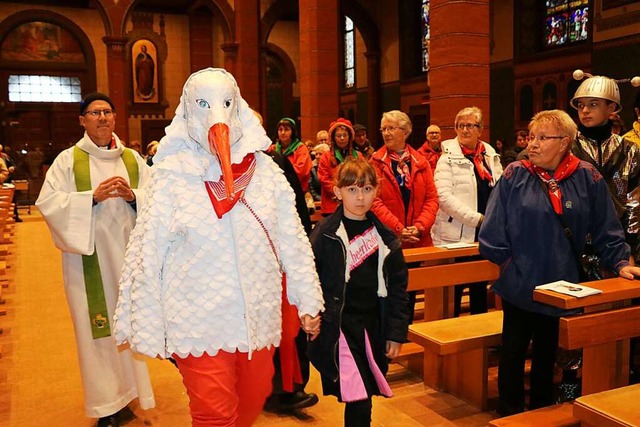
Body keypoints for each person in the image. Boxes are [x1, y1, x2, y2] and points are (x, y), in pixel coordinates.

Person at [112, 68, 324, 427]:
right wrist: (138, 317)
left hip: (257, 317)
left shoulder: (267, 174)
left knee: (251, 401)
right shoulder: (171, 176)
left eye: (225, 103)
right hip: (197, 321)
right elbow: (146, 250)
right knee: (214, 414)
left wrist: (308, 299)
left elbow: (294, 240)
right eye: (205, 105)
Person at [479, 109, 640, 416]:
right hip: (520, 283)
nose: (532, 144)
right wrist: (510, 265)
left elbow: (607, 227)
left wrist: (620, 262)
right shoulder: (515, 174)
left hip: (562, 285)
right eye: (531, 136)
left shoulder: (587, 177)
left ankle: (540, 414)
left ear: (564, 142)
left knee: (546, 354)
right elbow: (492, 231)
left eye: (542, 138)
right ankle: (510, 414)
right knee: (512, 353)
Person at [35, 92, 154, 427]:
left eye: (107, 111)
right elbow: (49, 203)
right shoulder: (68, 161)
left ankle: (129, 392)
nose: (102, 118)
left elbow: (157, 197)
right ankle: (105, 405)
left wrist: (134, 196)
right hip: (87, 261)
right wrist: (90, 198)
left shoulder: (132, 159)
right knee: (95, 331)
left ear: (116, 117)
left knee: (128, 327)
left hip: (129, 261)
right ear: (82, 120)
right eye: (94, 112)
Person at [308, 157, 411, 427]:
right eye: (352, 189)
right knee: (358, 394)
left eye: (366, 189)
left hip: (373, 325)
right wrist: (310, 313)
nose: (360, 197)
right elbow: (310, 278)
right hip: (339, 326)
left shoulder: (386, 238)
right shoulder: (325, 234)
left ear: (376, 190)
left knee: (363, 393)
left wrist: (396, 332)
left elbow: (399, 290)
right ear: (338, 191)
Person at [432, 107, 503, 316]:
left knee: (480, 287)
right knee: (454, 290)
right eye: (460, 126)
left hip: (484, 233)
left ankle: (479, 340)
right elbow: (443, 197)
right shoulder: (447, 158)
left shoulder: (489, 155)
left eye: (470, 125)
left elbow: (499, 189)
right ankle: (451, 338)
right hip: (457, 233)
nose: (464, 130)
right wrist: (477, 219)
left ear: (480, 129)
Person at [369, 110, 438, 249]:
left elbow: (432, 199)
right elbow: (374, 201)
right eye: (384, 129)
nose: (386, 133)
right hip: (387, 239)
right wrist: (398, 228)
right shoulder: (375, 162)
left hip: (418, 239)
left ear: (405, 132)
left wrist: (419, 227)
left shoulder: (421, 162)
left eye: (391, 128)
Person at [318, 118, 361, 215]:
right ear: (333, 138)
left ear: (349, 137)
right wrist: (340, 193)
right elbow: (323, 179)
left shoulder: (358, 156)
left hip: (353, 204)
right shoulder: (326, 157)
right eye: (338, 136)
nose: (342, 138)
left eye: (345, 135)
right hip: (331, 206)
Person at [271, 117, 313, 192]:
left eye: (286, 130)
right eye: (280, 130)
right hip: (276, 190)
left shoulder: (300, 148)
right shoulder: (273, 149)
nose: (283, 132)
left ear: (292, 132)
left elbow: (301, 171)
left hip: (297, 190)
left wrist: (280, 175)